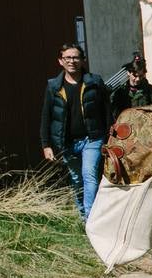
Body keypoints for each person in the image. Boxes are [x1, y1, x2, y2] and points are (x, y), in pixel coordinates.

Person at [39, 43, 111, 219]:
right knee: (77, 180)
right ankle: (82, 214)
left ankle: (90, 219)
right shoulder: (54, 87)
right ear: (60, 61)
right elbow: (46, 116)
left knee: (89, 176)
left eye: (75, 57)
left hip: (92, 139)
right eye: (67, 58)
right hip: (67, 142)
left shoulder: (94, 83)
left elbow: (107, 110)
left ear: (82, 60)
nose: (72, 61)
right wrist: (46, 144)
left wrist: (110, 136)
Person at [109, 55, 152, 121]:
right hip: (126, 128)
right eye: (135, 76)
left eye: (141, 76)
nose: (138, 79)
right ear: (128, 73)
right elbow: (113, 114)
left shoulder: (150, 90)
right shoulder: (120, 92)